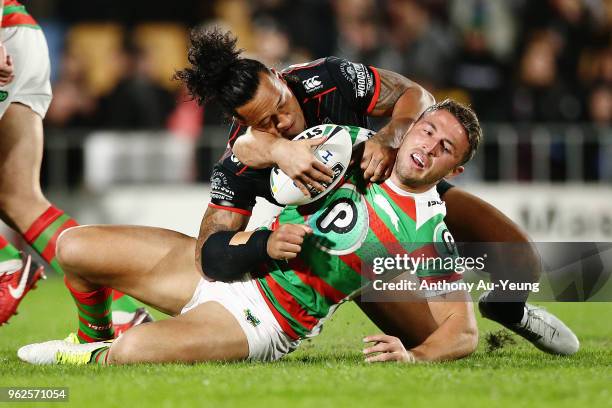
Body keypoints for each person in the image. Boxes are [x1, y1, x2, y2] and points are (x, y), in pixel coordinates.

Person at [177, 28, 578, 354]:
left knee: (522, 259)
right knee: (431, 343)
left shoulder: (327, 80)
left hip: (404, 185)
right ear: (241, 123)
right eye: (267, 124)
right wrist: (277, 159)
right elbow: (207, 252)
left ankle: (509, 310)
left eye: (282, 105)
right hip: (349, 251)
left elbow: (417, 96)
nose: (283, 122)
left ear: (279, 77)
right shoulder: (242, 155)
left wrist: (389, 137)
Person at [18, 99, 481, 365]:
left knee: (134, 350)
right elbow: (246, 144)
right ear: (412, 127)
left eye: (445, 148)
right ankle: (92, 336)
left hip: (264, 320)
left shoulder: (427, 228)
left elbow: (463, 332)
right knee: (72, 247)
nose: (429, 147)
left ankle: (97, 356)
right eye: (428, 131)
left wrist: (415, 357)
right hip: (232, 263)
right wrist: (281, 153)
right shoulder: (350, 141)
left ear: (454, 167)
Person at [0, 0, 151, 336]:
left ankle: (4, 266)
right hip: (19, 34)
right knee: (18, 199)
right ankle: (122, 313)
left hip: (4, 35)